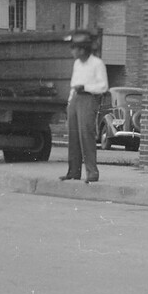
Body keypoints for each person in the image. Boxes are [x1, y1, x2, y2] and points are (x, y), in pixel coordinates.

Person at [60, 30, 108, 183]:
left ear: (82, 49)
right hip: (75, 98)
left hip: (89, 98)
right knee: (73, 136)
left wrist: (86, 87)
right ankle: (73, 171)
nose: (72, 52)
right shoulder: (77, 64)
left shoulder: (97, 63)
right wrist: (69, 103)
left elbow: (103, 86)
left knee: (86, 134)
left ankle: (92, 172)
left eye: (75, 48)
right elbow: (73, 85)